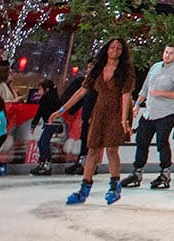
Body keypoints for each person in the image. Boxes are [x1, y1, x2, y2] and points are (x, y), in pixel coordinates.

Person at [50, 38, 135, 205]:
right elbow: (82, 91)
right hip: (100, 111)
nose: (115, 50)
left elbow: (126, 95)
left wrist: (124, 119)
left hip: (117, 112)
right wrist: (62, 110)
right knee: (92, 149)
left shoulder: (126, 71)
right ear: (107, 49)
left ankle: (114, 185)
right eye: (112, 47)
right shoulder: (97, 69)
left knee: (111, 149)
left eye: (119, 48)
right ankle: (84, 189)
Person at [122, 43, 174, 191]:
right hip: (149, 112)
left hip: (167, 112)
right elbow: (146, 88)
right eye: (166, 52)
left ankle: (165, 173)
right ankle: (137, 172)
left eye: (171, 53)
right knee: (141, 141)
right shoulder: (156, 67)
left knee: (161, 142)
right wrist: (137, 104)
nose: (167, 55)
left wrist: (161, 93)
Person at [29, 79, 62, 175]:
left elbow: (39, 112)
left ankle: (46, 164)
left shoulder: (46, 98)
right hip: (53, 122)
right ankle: (43, 163)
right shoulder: (54, 98)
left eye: (39, 89)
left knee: (44, 142)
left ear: (46, 89)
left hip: (51, 123)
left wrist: (33, 125)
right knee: (42, 142)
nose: (38, 92)